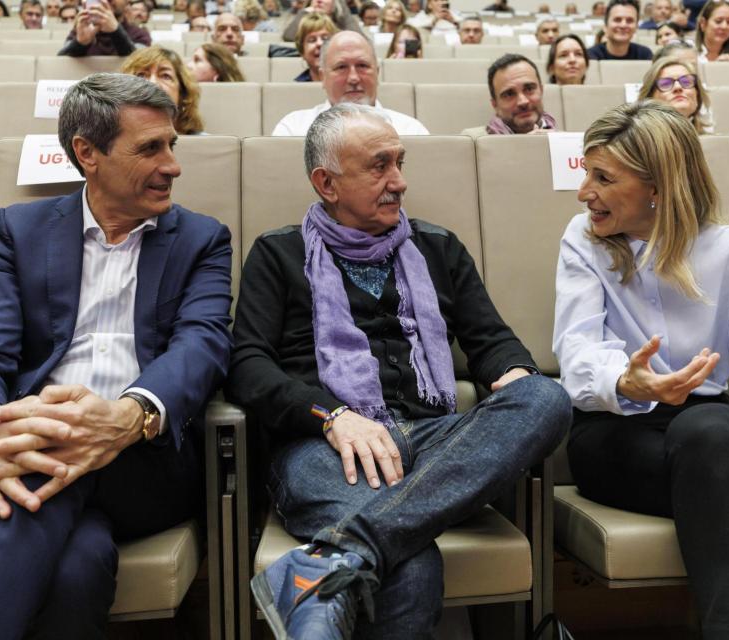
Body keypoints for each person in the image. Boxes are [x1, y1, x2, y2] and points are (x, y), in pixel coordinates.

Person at [228, 102, 570, 640]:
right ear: (327, 182)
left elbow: (491, 342)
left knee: (546, 398)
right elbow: (247, 367)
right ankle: (368, 545)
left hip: (435, 440)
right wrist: (331, 415)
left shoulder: (437, 246)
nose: (399, 182)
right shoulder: (278, 254)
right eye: (379, 166)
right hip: (326, 447)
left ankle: (345, 551)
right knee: (413, 564)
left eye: (400, 163)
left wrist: (512, 373)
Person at [0, 72, 232, 640]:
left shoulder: (202, 239)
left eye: (172, 145)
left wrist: (127, 415)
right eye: (150, 149)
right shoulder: (19, 230)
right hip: (29, 443)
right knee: (77, 569)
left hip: (142, 460)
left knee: (41, 469)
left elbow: (203, 343)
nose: (173, 165)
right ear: (87, 154)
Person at [554, 99, 729, 640]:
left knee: (706, 429)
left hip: (712, 425)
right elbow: (577, 351)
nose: (584, 193)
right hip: (614, 432)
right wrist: (626, 381)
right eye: (586, 173)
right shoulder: (582, 240)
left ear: (657, 186)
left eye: (603, 177)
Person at [272, 30, 429, 135]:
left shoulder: (411, 131)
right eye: (341, 67)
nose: (353, 78)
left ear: (377, 72)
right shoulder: (293, 129)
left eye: (362, 66)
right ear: (323, 77)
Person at [465, 53, 557, 136]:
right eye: (509, 94)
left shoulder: (566, 141)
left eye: (529, 89)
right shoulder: (473, 144)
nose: (523, 102)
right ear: (495, 105)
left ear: (541, 91)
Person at [121, 46, 205, 134]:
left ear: (183, 94)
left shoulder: (207, 145)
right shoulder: (112, 144)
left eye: (165, 76)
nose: (153, 83)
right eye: (141, 75)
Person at [638, 57, 712, 133]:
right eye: (666, 84)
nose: (678, 87)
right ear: (650, 97)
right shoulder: (638, 141)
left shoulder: (714, 142)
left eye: (686, 82)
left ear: (698, 95)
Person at [59, 0, 151, 56]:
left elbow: (141, 62)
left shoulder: (140, 33)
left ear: (127, 1)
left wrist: (116, 31)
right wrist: (80, 43)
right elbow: (61, 62)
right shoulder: (80, 31)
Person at [587, 0, 653, 60]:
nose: (623, 25)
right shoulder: (590, 56)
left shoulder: (645, 55)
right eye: (617, 20)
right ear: (605, 26)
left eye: (629, 20)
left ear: (636, 27)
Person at [283, 0, 362, 43]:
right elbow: (288, 37)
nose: (319, 1)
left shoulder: (341, 20)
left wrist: (342, 8)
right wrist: (304, 12)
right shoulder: (306, 19)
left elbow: (359, 39)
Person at [294, 13, 338, 81]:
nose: (319, 43)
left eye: (325, 38)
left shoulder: (349, 81)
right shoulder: (294, 89)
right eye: (312, 40)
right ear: (302, 52)